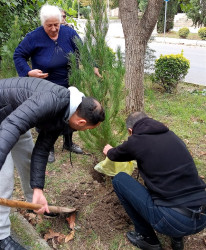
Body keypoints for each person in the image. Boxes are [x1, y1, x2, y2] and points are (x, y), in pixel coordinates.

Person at [0, 77, 105, 250]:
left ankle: (33, 203)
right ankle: (2, 237)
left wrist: (38, 189)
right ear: (81, 122)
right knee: (4, 178)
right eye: (87, 129)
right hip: (7, 120)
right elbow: (11, 127)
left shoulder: (65, 113)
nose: (83, 131)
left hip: (14, 117)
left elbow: (41, 150)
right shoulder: (51, 100)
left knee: (27, 156)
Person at [103, 112, 206, 250]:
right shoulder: (172, 136)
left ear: (130, 131)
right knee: (172, 185)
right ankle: (177, 238)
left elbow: (114, 154)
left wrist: (108, 150)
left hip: (173, 220)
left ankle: (148, 239)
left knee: (120, 180)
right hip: (202, 216)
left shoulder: (137, 140)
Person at [13, 4, 101, 163]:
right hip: (45, 85)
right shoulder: (33, 37)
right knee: (48, 116)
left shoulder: (69, 33)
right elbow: (18, 55)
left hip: (69, 82)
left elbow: (83, 51)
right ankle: (48, 148)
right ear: (43, 24)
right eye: (50, 26)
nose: (54, 29)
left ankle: (68, 143)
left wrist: (93, 65)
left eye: (57, 24)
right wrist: (28, 72)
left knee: (72, 112)